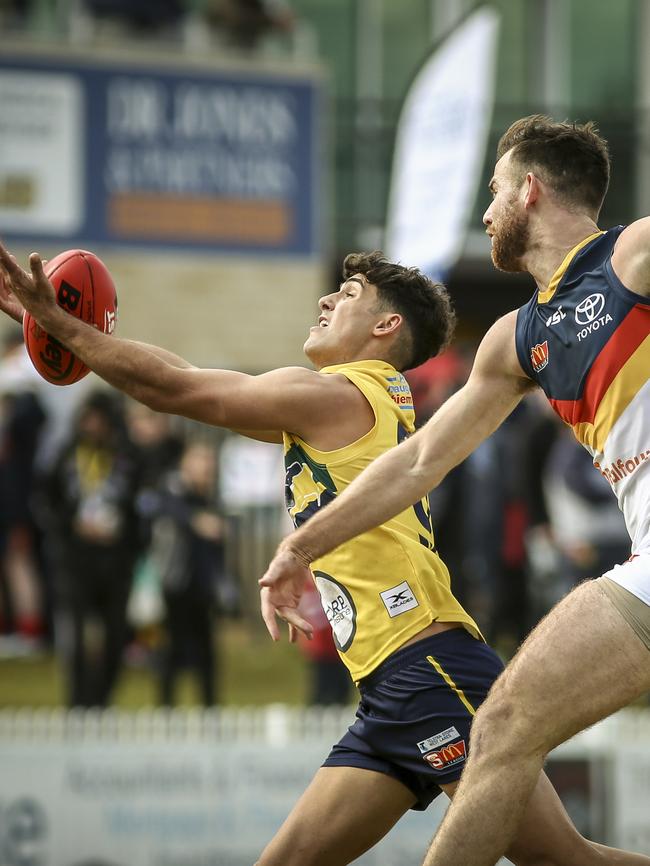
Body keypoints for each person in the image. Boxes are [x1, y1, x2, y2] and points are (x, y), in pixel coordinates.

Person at [0, 248, 645, 866]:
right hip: (389, 685)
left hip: (427, 667)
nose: (326, 297)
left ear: (386, 326)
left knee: (557, 857)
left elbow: (176, 389)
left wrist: (60, 324)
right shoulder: (348, 401)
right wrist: (62, 328)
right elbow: (188, 377)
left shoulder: (339, 397)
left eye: (350, 293)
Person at [258, 115, 650, 866]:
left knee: (502, 728)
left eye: (496, 191)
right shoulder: (515, 339)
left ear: (530, 191)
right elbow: (416, 465)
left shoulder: (632, 256)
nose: (485, 212)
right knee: (506, 737)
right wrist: (302, 544)